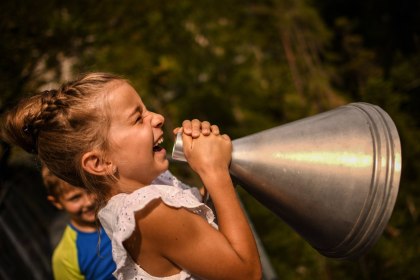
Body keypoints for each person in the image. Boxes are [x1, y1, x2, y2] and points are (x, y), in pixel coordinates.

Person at [1, 72, 262, 279]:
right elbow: (246, 274)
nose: (158, 118)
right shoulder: (149, 211)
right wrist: (215, 173)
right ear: (100, 162)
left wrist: (213, 172)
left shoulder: (136, 194)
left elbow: (202, 233)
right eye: (138, 119)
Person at [41, 165, 116, 280]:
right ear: (56, 202)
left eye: (90, 189)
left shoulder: (121, 212)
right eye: (75, 198)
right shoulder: (65, 258)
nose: (89, 202)